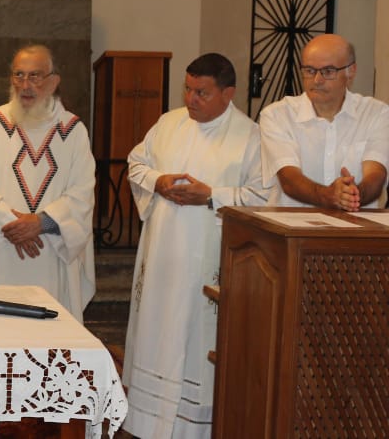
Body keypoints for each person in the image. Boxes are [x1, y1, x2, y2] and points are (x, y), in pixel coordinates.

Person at [122, 53, 265, 439]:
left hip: (208, 266)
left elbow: (262, 196)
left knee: (196, 343)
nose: (191, 99)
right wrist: (158, 181)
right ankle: (146, 424)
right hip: (162, 258)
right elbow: (136, 164)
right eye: (187, 89)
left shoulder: (250, 136)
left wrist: (212, 195)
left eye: (202, 92)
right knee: (156, 335)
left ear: (228, 93)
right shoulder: (168, 123)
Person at [0, 44, 95, 321]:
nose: (25, 85)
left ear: (53, 81)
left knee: (47, 333)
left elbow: (82, 192)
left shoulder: (72, 131)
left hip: (49, 249)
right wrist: (12, 224)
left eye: (35, 76)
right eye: (19, 75)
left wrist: (42, 223)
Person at [260, 33, 389, 211]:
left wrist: (353, 196)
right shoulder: (277, 115)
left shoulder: (376, 113)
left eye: (328, 72)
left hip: (355, 226)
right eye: (309, 71)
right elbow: (289, 179)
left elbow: (376, 174)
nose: (317, 80)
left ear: (351, 72)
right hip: (291, 226)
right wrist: (329, 196)